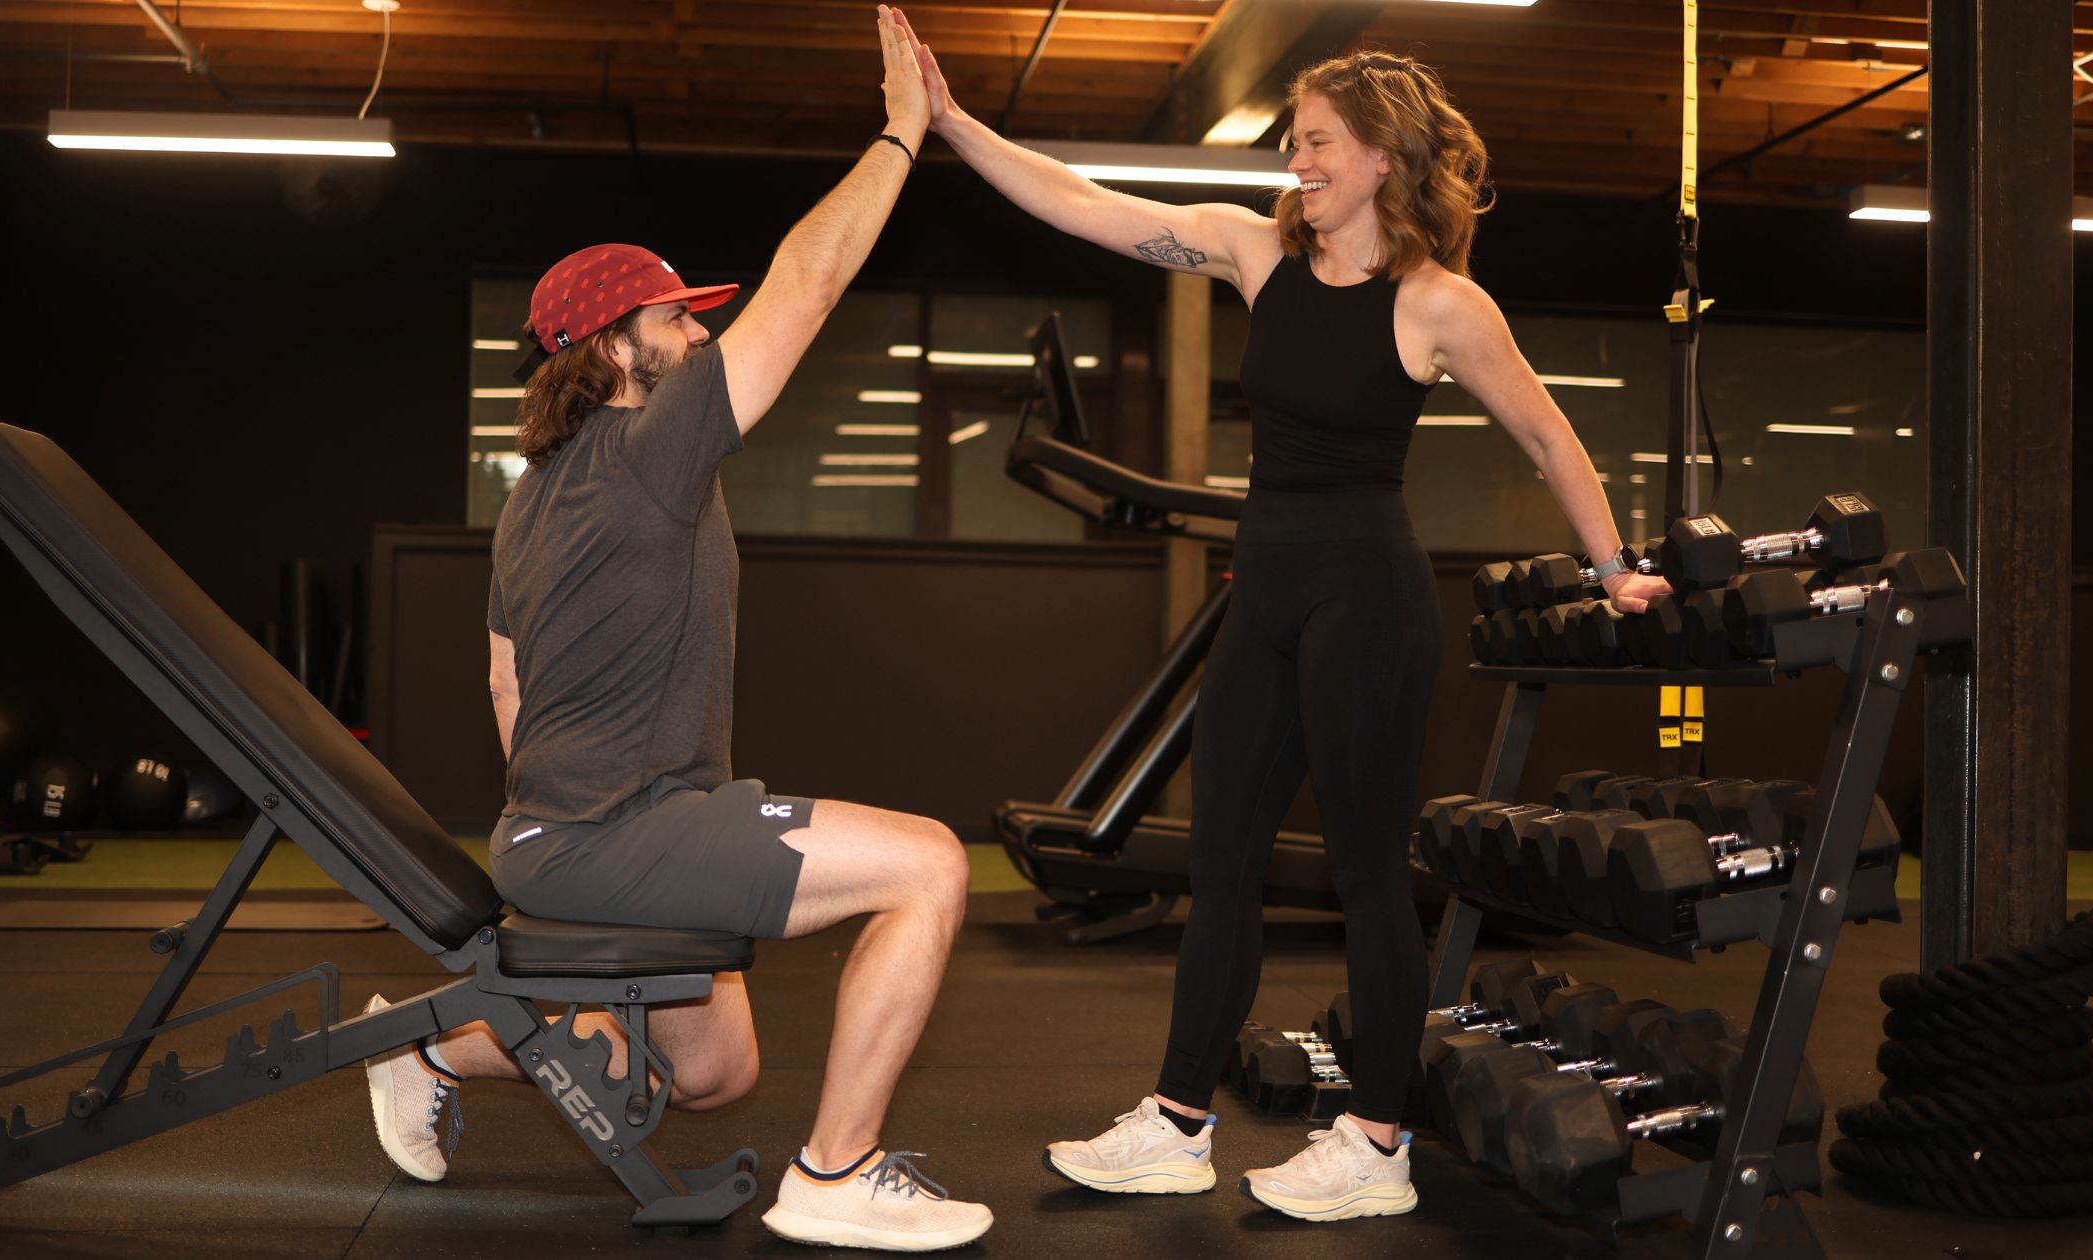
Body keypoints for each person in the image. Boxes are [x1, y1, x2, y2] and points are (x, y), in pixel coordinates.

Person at [893, 11, 1669, 1224]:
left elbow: (1542, 431)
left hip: (1367, 598)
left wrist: (1612, 566)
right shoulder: (1252, 255)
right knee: (1219, 864)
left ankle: (1375, 1142)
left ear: (1378, 157)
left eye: (1313, 142)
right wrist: (952, 124)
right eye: (1292, 142)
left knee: (1364, 871)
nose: (1292, 161)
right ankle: (1175, 1123)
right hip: (1264, 593)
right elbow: (1083, 204)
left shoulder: (1437, 303)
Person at [359, 10, 991, 1251]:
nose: (700, 334)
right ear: (611, 347)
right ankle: (837, 1173)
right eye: (676, 318)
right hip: (613, 831)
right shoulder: (647, 451)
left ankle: (422, 1048)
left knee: (712, 1073)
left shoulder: (530, 499)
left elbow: (505, 685)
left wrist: (571, 828)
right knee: (928, 865)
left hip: (568, 832)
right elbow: (808, 283)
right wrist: (900, 134)